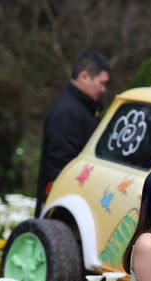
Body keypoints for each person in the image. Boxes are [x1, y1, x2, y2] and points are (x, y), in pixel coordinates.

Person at [35, 50, 111, 217]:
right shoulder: (67, 112)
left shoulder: (85, 107)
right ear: (84, 76)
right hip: (65, 202)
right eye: (101, 83)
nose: (104, 89)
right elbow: (59, 164)